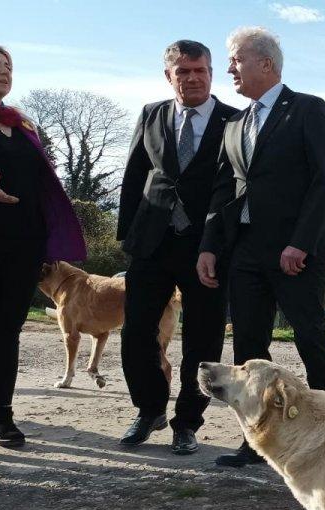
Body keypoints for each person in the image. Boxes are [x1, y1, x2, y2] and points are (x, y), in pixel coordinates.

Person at [196, 26, 325, 468]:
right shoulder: (234, 124)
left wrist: (300, 242)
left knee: (309, 337)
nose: (229, 69)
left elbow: (324, 181)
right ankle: (257, 439)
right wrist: (208, 246)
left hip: (295, 251)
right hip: (245, 252)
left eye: (236, 59)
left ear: (266, 63)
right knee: (249, 347)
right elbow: (224, 190)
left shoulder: (307, 109)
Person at [0, 41, 86, 453]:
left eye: (8, 65)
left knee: (7, 331)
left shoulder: (22, 123)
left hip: (25, 242)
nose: (4, 71)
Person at [115, 40, 237, 454]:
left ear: (211, 72)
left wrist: (223, 243)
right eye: (182, 71)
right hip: (152, 240)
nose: (192, 77)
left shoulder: (235, 121)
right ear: (169, 75)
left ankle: (187, 423)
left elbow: (237, 187)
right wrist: (128, 237)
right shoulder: (152, 113)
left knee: (202, 338)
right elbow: (134, 174)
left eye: (199, 69)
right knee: (136, 333)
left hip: (207, 245)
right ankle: (149, 408)